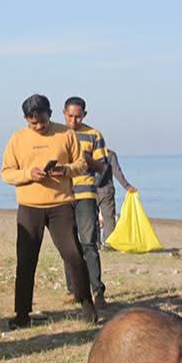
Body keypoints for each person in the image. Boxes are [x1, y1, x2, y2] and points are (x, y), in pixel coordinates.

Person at [0, 94, 97, 330]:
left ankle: (86, 304)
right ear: (26, 119)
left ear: (50, 114)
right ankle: (22, 314)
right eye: (33, 123)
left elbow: (82, 164)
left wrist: (65, 170)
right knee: (26, 261)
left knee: (73, 254)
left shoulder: (66, 133)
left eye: (42, 121)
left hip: (61, 205)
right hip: (29, 207)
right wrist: (28, 174)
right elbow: (6, 173)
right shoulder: (17, 138)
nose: (39, 126)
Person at [61, 97, 108, 309]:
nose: (73, 120)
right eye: (70, 116)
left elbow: (103, 167)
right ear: (63, 113)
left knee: (88, 243)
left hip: (86, 195)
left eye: (78, 116)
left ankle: (97, 291)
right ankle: (74, 290)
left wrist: (85, 159)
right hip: (61, 195)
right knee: (69, 245)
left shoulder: (94, 135)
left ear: (85, 115)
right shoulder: (57, 134)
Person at [96, 149, 136, 246]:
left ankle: (95, 243)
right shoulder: (110, 154)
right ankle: (108, 243)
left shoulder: (89, 153)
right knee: (108, 218)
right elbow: (117, 172)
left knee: (92, 217)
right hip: (106, 191)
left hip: (91, 190)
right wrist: (127, 186)